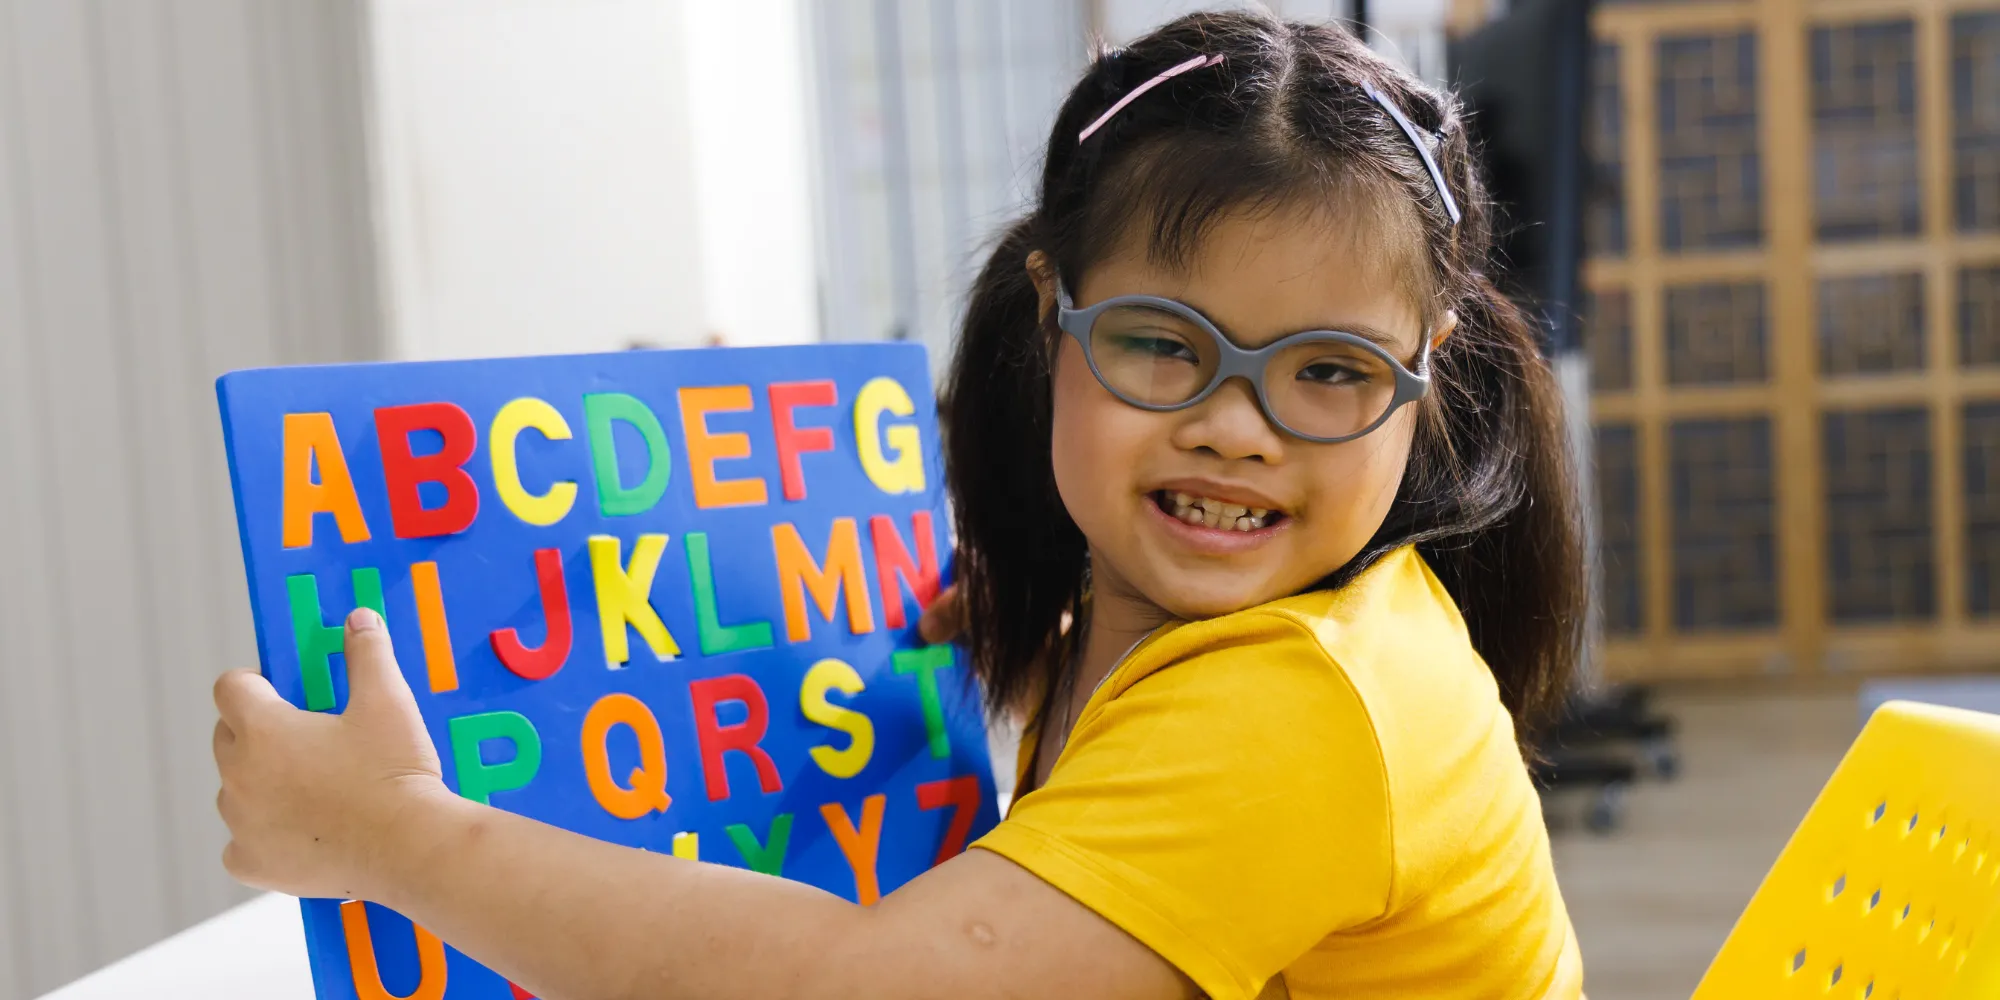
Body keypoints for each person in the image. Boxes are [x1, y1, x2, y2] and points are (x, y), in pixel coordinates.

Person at [211, 11, 1586, 999]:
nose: (1236, 428)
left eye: (1330, 372)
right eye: (1166, 344)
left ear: (1426, 378)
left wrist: (393, 835)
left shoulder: (1308, 709)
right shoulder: (1158, 609)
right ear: (1057, 308)